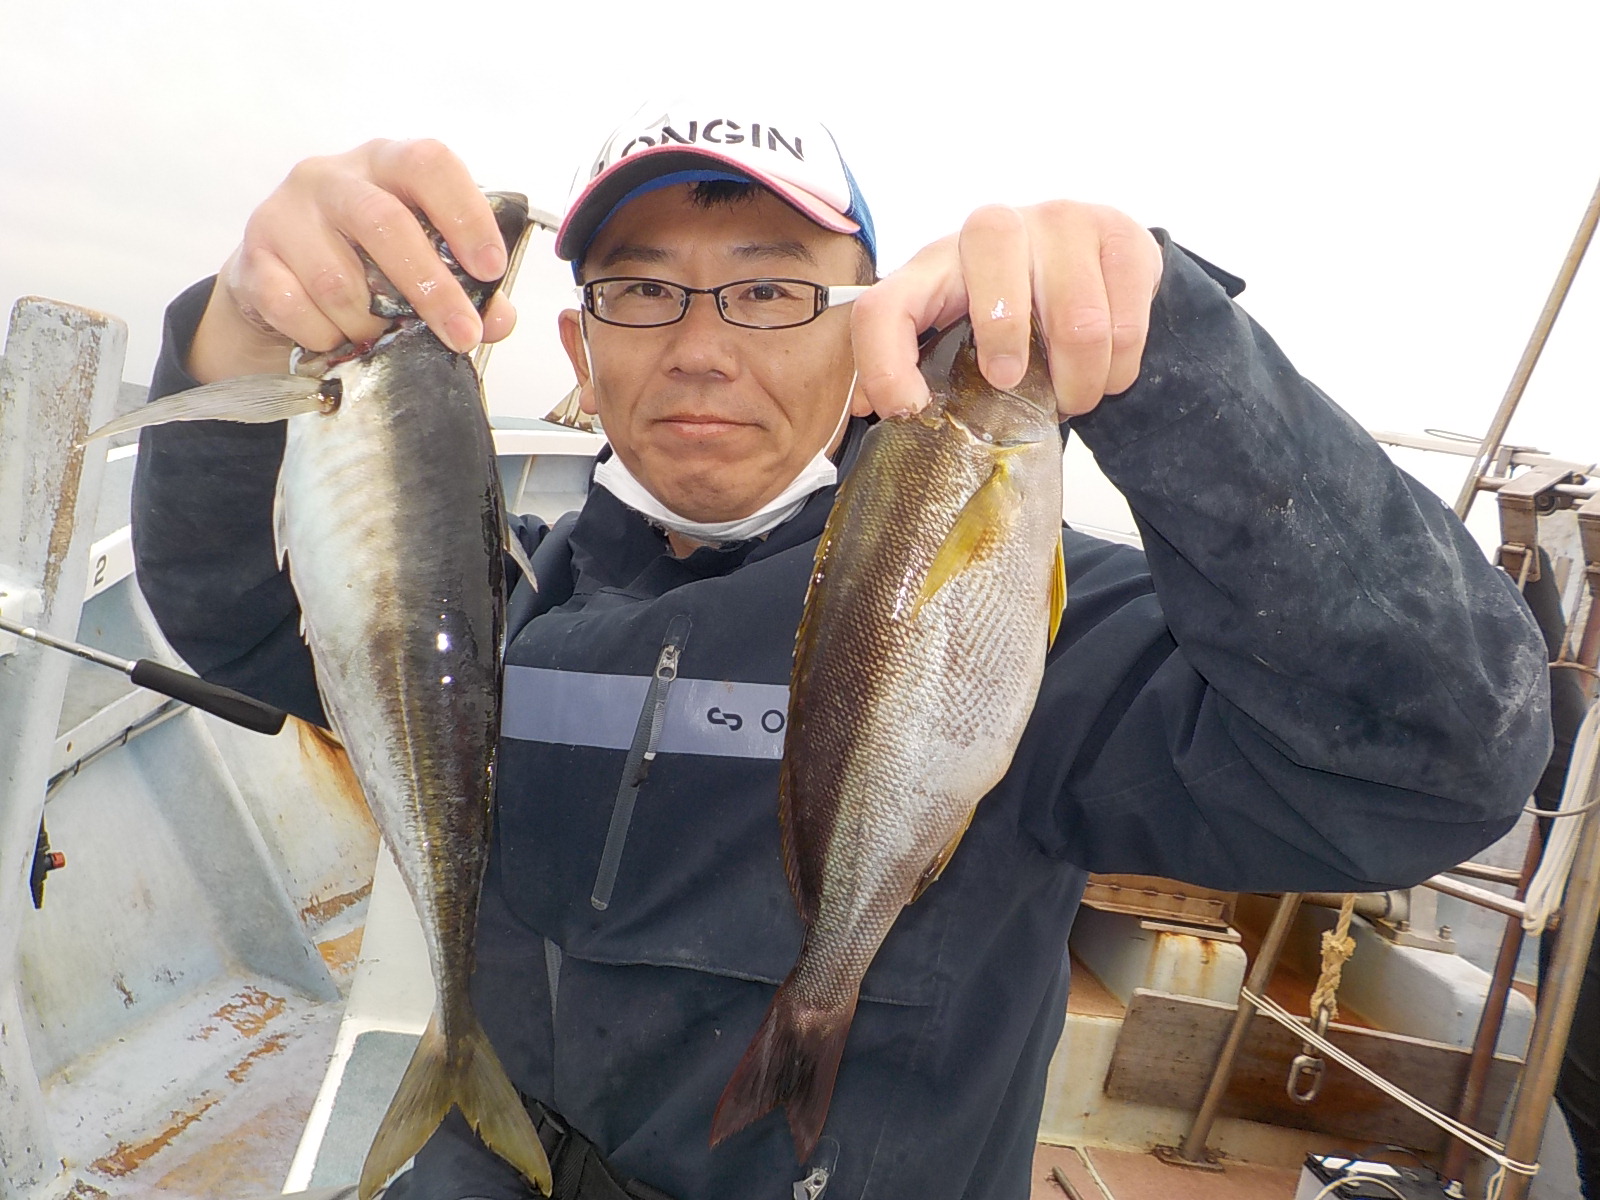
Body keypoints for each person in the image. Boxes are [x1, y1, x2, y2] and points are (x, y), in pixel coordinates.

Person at [130, 98, 1552, 1200]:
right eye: (641, 290)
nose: (700, 348)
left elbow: (1434, 762)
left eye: (769, 291)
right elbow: (243, 617)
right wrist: (237, 330)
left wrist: (1172, 354)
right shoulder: (505, 606)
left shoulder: (1034, 625)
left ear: (867, 330)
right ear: (576, 345)